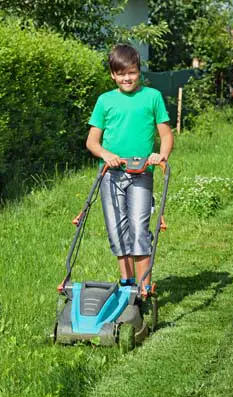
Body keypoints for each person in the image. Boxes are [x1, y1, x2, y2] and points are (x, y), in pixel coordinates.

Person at [86, 44, 174, 296]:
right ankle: (127, 285)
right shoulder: (105, 101)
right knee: (116, 229)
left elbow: (166, 134)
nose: (127, 78)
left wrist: (162, 155)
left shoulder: (152, 97)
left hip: (141, 172)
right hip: (110, 175)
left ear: (139, 72)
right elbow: (92, 141)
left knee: (138, 227)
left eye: (132, 72)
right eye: (121, 73)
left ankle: (144, 287)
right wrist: (106, 154)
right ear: (113, 74)